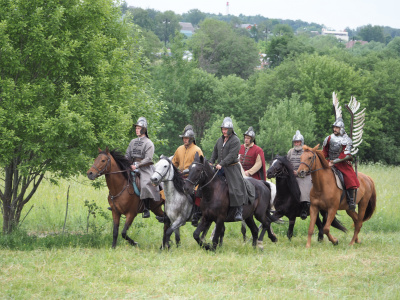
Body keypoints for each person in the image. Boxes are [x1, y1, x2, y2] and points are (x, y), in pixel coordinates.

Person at [156, 125, 204, 226]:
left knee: (196, 192)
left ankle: (196, 214)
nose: (184, 140)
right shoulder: (179, 149)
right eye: (184, 138)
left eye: (186, 138)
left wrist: (188, 172)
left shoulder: (197, 150)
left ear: (191, 139)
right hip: (180, 177)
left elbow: (199, 165)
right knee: (166, 190)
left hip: (192, 178)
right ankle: (167, 214)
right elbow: (174, 163)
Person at [210, 117, 247, 221]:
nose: (223, 131)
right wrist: (211, 161)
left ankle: (239, 211)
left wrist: (221, 164)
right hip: (220, 168)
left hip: (232, 168)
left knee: (236, 187)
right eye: (223, 129)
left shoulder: (236, 140)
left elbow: (231, 155)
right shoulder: (220, 140)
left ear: (230, 130)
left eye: (225, 129)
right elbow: (215, 152)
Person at [322, 117, 360, 211]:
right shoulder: (329, 138)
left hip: (342, 163)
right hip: (329, 161)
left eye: (337, 128)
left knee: (349, 177)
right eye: (334, 127)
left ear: (341, 129)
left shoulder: (346, 140)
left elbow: (346, 155)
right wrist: (323, 160)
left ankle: (351, 200)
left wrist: (334, 162)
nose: (335, 129)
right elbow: (324, 152)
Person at [126, 117, 160, 218]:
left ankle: (146, 208)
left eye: (138, 128)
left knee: (145, 184)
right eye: (136, 128)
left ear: (144, 129)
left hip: (144, 167)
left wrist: (136, 165)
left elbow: (148, 159)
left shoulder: (149, 143)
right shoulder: (132, 142)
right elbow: (127, 155)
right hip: (131, 165)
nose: (137, 130)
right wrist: (125, 162)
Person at [287, 130, 312, 219]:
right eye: (295, 142)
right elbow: (287, 162)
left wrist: (298, 172)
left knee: (303, 190)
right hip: (292, 175)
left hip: (304, 176)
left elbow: (309, 165)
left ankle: (304, 209)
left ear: (301, 142)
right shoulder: (290, 151)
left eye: (298, 142)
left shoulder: (306, 152)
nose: (296, 144)